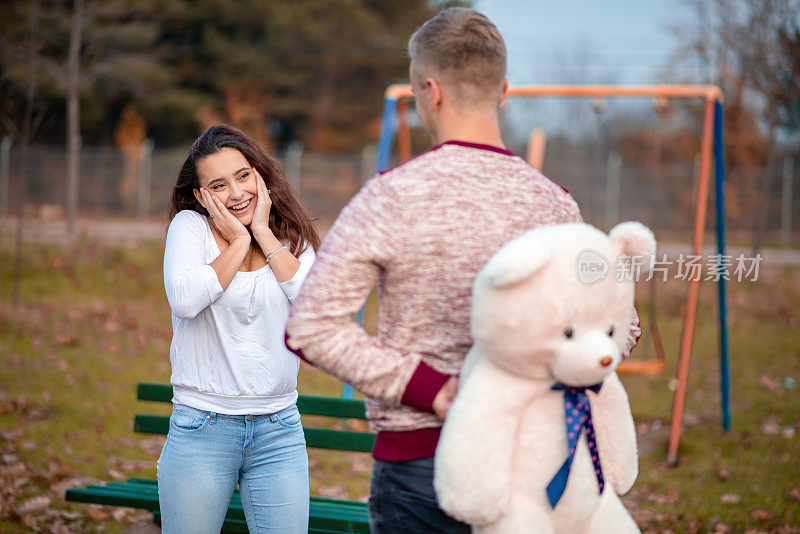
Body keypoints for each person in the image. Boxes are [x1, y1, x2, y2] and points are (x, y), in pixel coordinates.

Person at [285, 7, 641, 534]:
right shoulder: (556, 205)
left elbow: (310, 326)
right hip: (545, 462)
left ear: (430, 91)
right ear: (503, 91)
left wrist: (432, 388)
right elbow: (619, 329)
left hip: (422, 467)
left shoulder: (392, 197)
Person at [158, 125, 320, 534]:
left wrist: (263, 235)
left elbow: (315, 309)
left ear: (260, 174)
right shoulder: (190, 229)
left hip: (279, 430)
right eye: (218, 184)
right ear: (200, 196)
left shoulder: (292, 238)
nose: (236, 193)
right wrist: (237, 244)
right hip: (202, 428)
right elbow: (185, 299)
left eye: (243, 175)